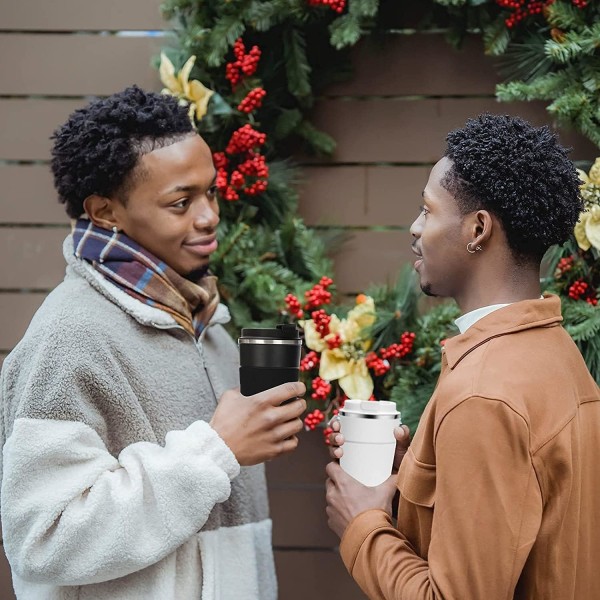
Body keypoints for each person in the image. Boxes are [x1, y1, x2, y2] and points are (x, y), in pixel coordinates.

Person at [0, 85, 306, 600]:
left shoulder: (209, 328)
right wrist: (215, 451)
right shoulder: (70, 336)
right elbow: (42, 538)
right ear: (105, 212)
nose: (208, 216)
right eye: (181, 202)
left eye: (210, 192)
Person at [325, 114, 600, 599]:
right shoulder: (556, 354)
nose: (414, 228)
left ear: (477, 229)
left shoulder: (484, 394)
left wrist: (362, 524)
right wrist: (414, 476)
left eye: (427, 211)